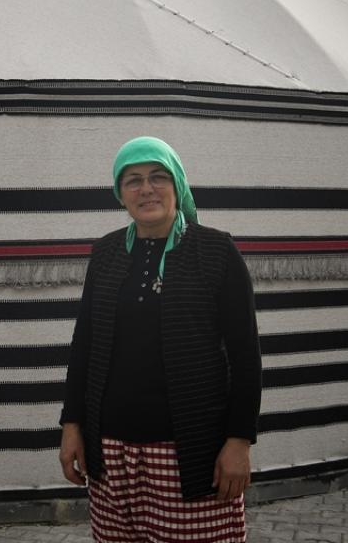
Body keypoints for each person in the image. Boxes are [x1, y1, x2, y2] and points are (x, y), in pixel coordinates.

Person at [59, 136, 261, 543]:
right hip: (111, 451)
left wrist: (240, 441)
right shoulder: (106, 252)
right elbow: (85, 344)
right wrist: (71, 425)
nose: (146, 188)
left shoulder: (216, 251)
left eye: (158, 177)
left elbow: (245, 356)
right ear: (120, 193)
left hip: (190, 451)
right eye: (132, 180)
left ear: (178, 185)